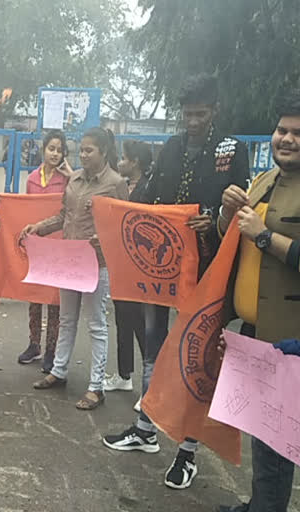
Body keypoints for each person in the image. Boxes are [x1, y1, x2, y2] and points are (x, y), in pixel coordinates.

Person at [102, 74, 250, 491]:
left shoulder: (233, 150)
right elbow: (149, 199)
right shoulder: (170, 148)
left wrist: (212, 216)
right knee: (154, 347)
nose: (193, 122)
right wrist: (118, 221)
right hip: (163, 269)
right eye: (187, 115)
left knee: (196, 357)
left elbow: (239, 202)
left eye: (200, 114)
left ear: (214, 111)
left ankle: (188, 451)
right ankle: (146, 428)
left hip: (207, 270)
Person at [216, 91, 300, 512]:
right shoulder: (263, 180)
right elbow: (230, 238)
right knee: (260, 433)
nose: (287, 139)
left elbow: (259, 237)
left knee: (278, 443)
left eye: (298, 133)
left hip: (290, 337)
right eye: (282, 130)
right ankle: (259, 505)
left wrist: (264, 235)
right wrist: (227, 211)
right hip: (253, 330)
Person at [19, 127, 128, 410]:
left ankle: (96, 387)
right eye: (81, 150)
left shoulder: (116, 183)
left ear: (104, 152)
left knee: (96, 325)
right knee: (67, 319)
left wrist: (103, 240)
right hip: (70, 261)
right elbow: (63, 216)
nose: (83, 155)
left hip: (96, 264)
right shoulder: (75, 180)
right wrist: (39, 228)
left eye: (89, 150)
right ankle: (59, 371)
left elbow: (123, 226)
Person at [102, 140, 152, 405]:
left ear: (135, 162)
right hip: (121, 263)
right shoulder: (123, 186)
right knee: (122, 318)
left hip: (140, 266)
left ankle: (149, 388)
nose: (120, 162)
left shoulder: (148, 188)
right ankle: (124, 375)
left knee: (141, 326)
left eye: (123, 158)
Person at [17, 130, 72, 372]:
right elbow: (26, 209)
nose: (55, 153)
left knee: (54, 300)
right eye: (51, 148)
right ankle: (34, 344)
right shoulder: (31, 179)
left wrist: (72, 176)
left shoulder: (68, 180)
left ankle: (51, 350)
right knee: (35, 297)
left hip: (58, 246)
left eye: (59, 150)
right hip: (37, 246)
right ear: (44, 149)